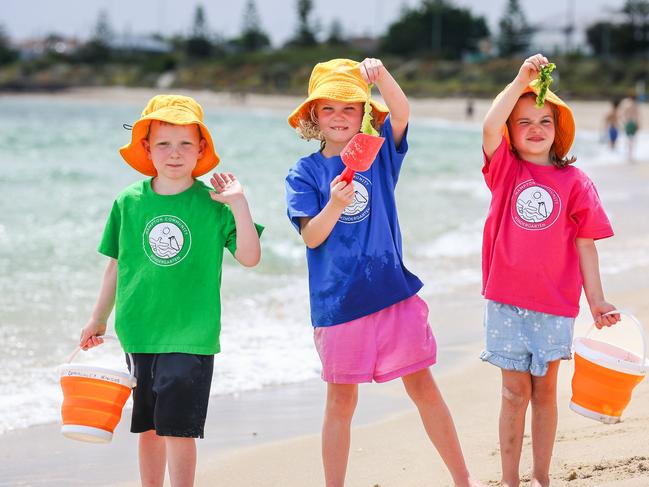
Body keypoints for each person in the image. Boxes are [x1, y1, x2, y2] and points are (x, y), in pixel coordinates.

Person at [285, 58, 484, 487]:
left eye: (350, 108)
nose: (339, 117)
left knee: (425, 389)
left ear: (364, 115)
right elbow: (312, 237)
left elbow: (402, 113)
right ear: (314, 116)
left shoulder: (378, 158)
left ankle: (463, 480)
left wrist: (381, 76)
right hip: (338, 305)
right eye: (329, 109)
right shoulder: (304, 173)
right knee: (340, 402)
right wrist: (335, 204)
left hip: (393, 293)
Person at [80, 94, 262, 487]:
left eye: (185, 144)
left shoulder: (214, 205)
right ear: (147, 148)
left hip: (191, 335)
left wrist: (239, 205)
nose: (175, 153)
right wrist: (98, 317)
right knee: (147, 427)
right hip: (139, 331)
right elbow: (116, 263)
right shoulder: (128, 202)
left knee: (178, 430)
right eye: (164, 143)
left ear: (201, 150)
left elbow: (250, 257)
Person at [481, 54, 620, 487]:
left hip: (555, 306)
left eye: (544, 120)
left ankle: (540, 477)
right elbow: (488, 126)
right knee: (512, 392)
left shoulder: (576, 182)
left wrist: (596, 301)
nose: (536, 129)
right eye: (524, 122)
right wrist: (522, 78)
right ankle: (510, 480)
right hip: (505, 302)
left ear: (558, 130)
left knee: (544, 393)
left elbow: (586, 244)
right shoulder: (505, 170)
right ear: (511, 132)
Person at [620, 94, 641, 162]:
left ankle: (627, 155)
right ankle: (631, 155)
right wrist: (638, 124)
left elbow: (622, 114)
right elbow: (637, 116)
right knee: (633, 140)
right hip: (633, 123)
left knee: (628, 139)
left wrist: (624, 123)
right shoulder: (635, 105)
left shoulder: (627, 105)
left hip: (628, 123)